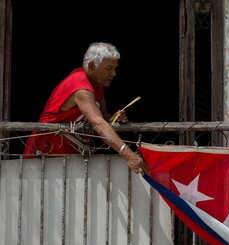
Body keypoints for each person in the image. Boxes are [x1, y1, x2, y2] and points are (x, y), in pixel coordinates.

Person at [24, 42, 149, 175]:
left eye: (115, 68)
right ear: (91, 66)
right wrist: (128, 154)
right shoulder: (80, 86)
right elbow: (98, 122)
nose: (114, 74)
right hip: (44, 158)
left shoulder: (97, 84)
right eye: (109, 68)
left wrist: (114, 118)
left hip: (71, 159)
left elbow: (103, 116)